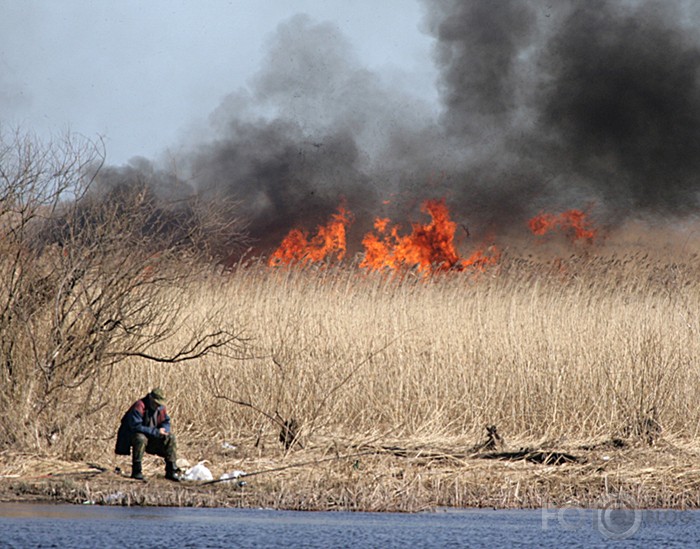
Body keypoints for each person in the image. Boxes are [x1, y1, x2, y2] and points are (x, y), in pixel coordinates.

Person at [115, 388, 181, 481]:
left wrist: (165, 430)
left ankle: (171, 470)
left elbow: (166, 421)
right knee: (140, 438)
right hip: (135, 438)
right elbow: (135, 427)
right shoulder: (139, 406)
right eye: (156, 403)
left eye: (159, 404)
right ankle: (137, 471)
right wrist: (156, 432)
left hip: (152, 437)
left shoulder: (161, 408)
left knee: (171, 437)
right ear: (150, 398)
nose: (158, 406)